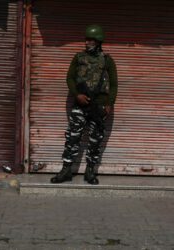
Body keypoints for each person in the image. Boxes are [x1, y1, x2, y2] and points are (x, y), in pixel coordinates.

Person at [51, 25, 118, 185]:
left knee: (95, 140)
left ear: (98, 41)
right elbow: (70, 78)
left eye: (90, 39)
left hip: (99, 106)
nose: (87, 42)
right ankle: (66, 170)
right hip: (80, 105)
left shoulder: (107, 60)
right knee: (73, 138)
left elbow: (114, 84)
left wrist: (110, 103)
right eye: (86, 39)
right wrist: (77, 95)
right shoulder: (79, 57)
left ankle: (90, 172)